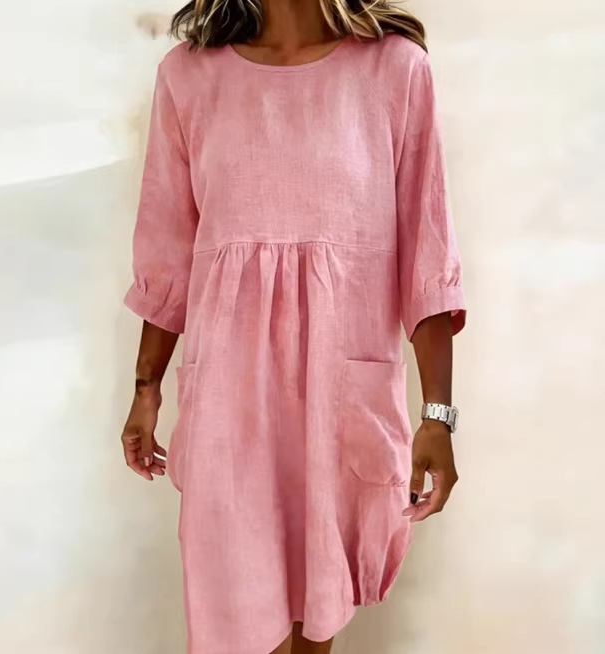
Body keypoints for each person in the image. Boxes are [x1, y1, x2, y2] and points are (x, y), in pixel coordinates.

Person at [120, 1, 467, 652]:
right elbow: (167, 250)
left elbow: (429, 258)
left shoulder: (396, 71)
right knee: (230, 616)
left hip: (340, 399)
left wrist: (438, 414)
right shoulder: (188, 77)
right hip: (228, 405)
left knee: (316, 618)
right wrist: (146, 389)